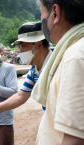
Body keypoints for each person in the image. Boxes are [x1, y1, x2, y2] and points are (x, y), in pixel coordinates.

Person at [32, 0, 84, 144]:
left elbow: (75, 139)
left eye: (42, 15)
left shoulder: (75, 56)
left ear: (55, 12)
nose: (42, 21)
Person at [0, 22, 51, 114]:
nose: (20, 51)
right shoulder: (34, 71)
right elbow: (20, 96)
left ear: (38, 45)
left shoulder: (58, 67)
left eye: (22, 46)